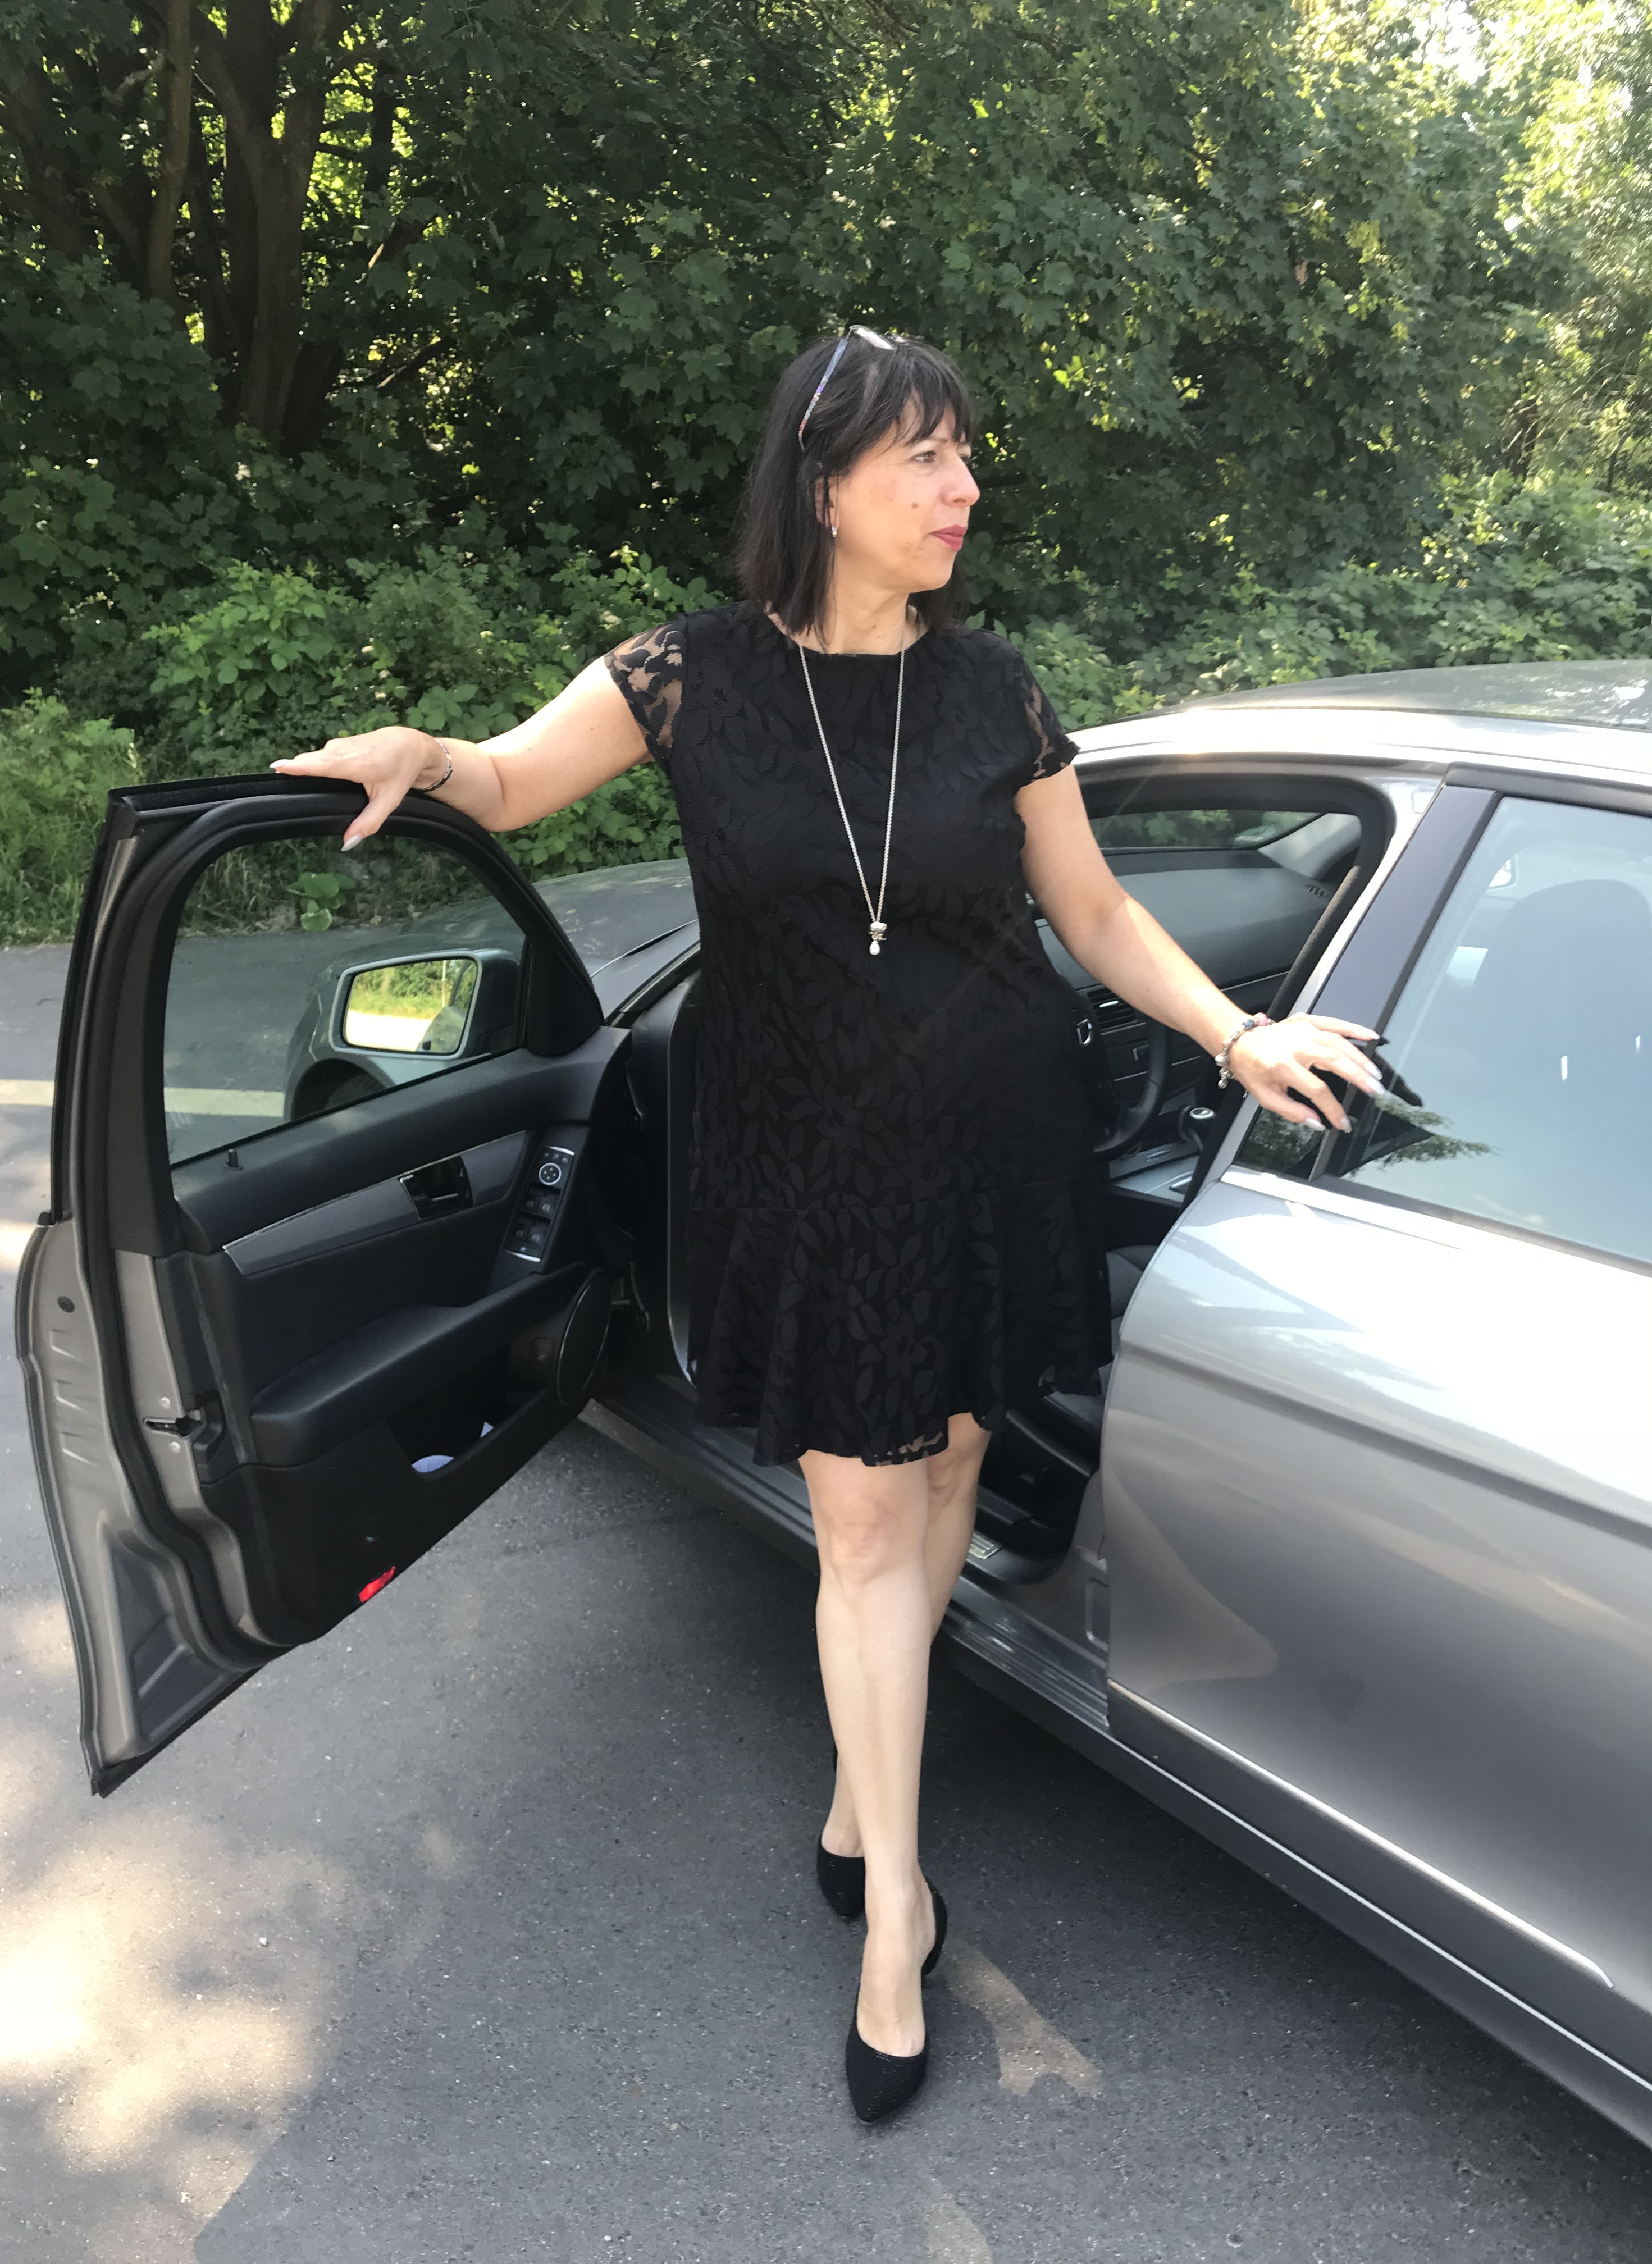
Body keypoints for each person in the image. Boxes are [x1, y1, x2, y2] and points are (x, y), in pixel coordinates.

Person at [272, 327, 1382, 2121]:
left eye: (965, 455)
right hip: (801, 1158)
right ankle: (895, 1919)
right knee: (864, 1522)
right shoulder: (688, 676)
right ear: (825, 482)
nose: (964, 489)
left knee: (948, 1465)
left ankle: (866, 1808)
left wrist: (1233, 1032)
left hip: (990, 1139)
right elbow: (507, 780)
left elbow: (1093, 912)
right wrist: (421, 753)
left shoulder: (993, 688)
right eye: (927, 458)